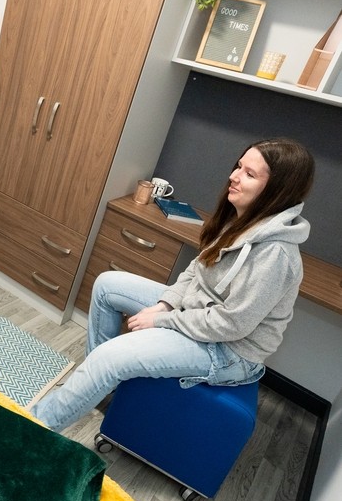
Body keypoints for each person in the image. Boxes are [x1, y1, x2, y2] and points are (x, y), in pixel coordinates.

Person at [31, 138, 315, 432]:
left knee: (109, 357)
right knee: (107, 286)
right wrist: (166, 302)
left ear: (277, 192)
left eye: (249, 174)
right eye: (239, 166)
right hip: (197, 313)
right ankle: (100, 386)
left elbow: (231, 325)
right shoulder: (243, 219)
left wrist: (163, 320)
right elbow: (198, 268)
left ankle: (30, 426)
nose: (233, 176)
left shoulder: (275, 254)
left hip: (229, 350)